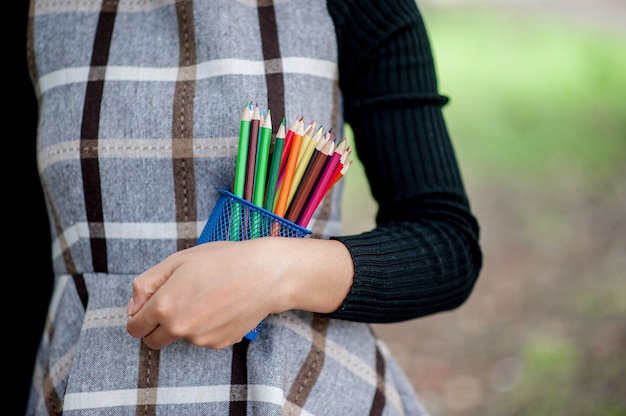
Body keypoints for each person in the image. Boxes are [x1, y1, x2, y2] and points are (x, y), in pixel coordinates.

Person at [26, 0, 483, 414]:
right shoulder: (44, 16)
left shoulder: (356, 7)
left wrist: (277, 271)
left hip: (301, 394)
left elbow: (445, 244)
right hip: (81, 393)